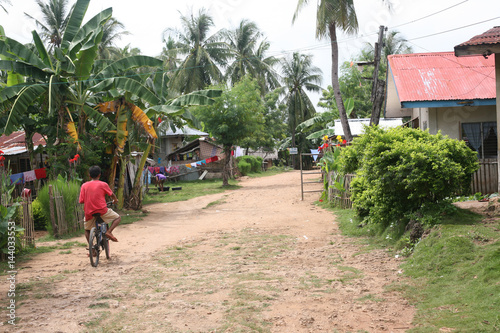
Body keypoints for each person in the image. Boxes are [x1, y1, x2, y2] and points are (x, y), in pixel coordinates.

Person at [79, 165, 121, 246]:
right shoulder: (103, 184)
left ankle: (93, 250)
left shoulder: (84, 185)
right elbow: (112, 194)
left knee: (87, 230)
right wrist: (115, 200)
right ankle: (109, 232)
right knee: (118, 218)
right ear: (99, 175)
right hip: (102, 210)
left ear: (89, 175)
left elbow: (81, 201)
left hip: (89, 212)